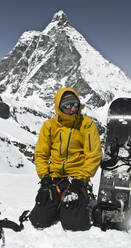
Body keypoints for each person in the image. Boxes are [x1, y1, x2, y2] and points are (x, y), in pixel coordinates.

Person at [29, 87, 102, 231]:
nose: (73, 108)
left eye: (75, 103)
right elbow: (41, 153)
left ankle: (79, 201)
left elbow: (93, 155)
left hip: (76, 179)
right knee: (39, 221)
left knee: (74, 225)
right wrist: (44, 176)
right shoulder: (50, 126)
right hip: (54, 178)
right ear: (59, 106)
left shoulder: (87, 124)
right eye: (67, 105)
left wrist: (80, 179)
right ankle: (57, 205)